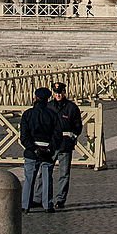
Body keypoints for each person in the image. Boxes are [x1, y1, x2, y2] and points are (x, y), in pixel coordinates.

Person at [33, 82, 83, 210]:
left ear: (64, 92)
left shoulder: (72, 107)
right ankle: (39, 198)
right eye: (56, 93)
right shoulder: (48, 106)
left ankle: (60, 199)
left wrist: (72, 137)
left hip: (65, 145)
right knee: (43, 172)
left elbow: (78, 127)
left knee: (64, 173)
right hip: (50, 145)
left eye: (60, 92)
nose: (58, 95)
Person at [20, 87, 63, 213]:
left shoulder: (28, 114)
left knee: (29, 179)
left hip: (32, 151)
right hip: (47, 151)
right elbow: (57, 135)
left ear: (35, 98)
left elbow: (24, 136)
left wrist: (33, 148)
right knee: (47, 178)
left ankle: (25, 205)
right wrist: (50, 148)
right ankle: (47, 205)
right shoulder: (52, 115)